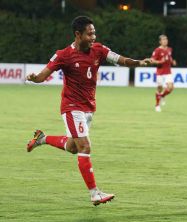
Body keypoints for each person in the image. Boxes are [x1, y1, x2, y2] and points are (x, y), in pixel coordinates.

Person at [26, 16, 151, 206]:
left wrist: (139, 63)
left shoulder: (99, 50)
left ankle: (42, 138)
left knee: (74, 147)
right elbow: (43, 75)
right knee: (85, 146)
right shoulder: (63, 55)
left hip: (88, 108)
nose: (93, 36)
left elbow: (120, 59)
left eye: (94, 32)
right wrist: (35, 78)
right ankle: (95, 194)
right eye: (89, 33)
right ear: (78, 34)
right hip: (71, 107)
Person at [151, 34, 177, 112]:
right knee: (159, 88)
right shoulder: (157, 50)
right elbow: (152, 60)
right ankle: (157, 105)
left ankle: (161, 96)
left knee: (171, 87)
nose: (165, 41)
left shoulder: (169, 49)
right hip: (160, 72)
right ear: (160, 41)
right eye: (163, 39)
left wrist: (172, 61)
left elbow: (169, 57)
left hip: (168, 72)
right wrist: (160, 61)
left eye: (166, 39)